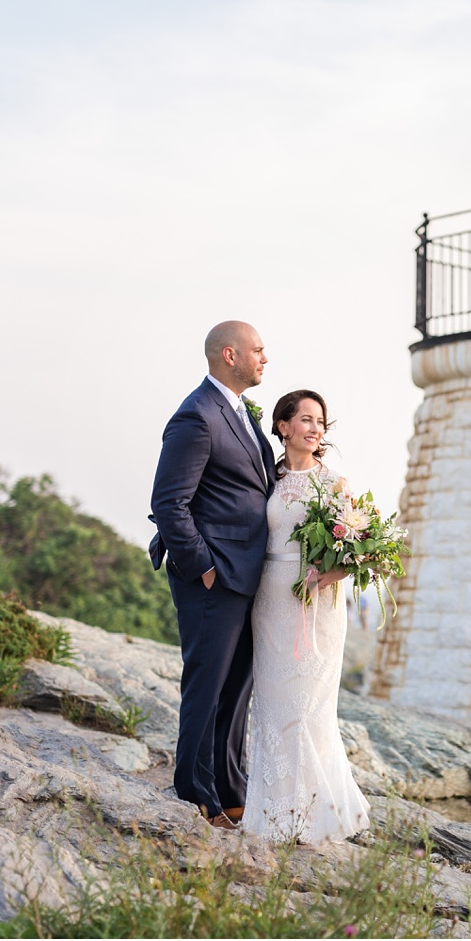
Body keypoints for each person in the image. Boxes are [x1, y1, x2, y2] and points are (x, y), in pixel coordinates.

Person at [149, 320, 273, 831]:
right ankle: (195, 796)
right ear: (230, 354)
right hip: (215, 577)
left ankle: (229, 789)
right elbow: (168, 504)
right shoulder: (197, 416)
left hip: (246, 576)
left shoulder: (238, 412)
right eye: (258, 350)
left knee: (236, 689)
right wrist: (203, 568)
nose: (265, 358)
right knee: (207, 687)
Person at [240, 388, 372, 844]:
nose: (316, 429)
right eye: (307, 420)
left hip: (315, 606)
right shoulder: (266, 478)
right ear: (283, 427)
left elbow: (359, 554)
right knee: (274, 702)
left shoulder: (335, 485)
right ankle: (273, 811)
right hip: (269, 599)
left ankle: (316, 812)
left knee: (311, 705)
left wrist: (323, 578)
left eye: (321, 422)